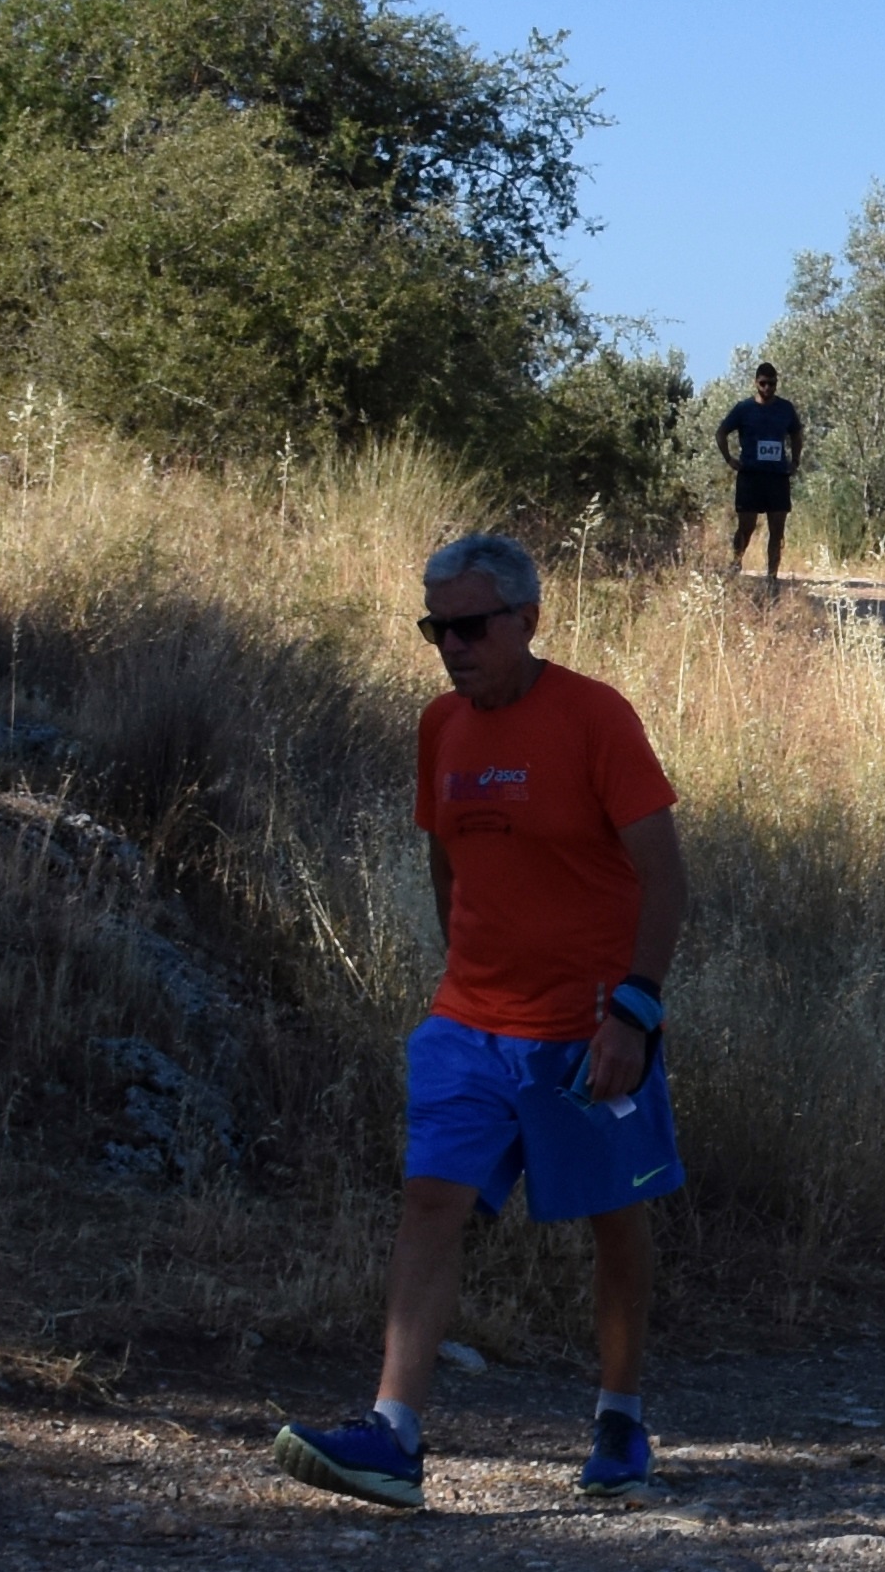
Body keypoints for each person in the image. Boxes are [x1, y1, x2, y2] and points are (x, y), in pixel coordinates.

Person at [275, 533, 694, 1510]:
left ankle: (621, 1417)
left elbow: (665, 876)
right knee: (430, 1201)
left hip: (586, 1027)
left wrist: (633, 1007)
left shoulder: (596, 718)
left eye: (471, 625)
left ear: (528, 619)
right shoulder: (440, 728)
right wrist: (464, 968)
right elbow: (447, 862)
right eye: (437, 628)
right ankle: (393, 1434)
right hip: (468, 1022)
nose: (452, 646)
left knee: (613, 1217)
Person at [716, 368, 804, 581]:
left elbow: (796, 433)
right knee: (746, 527)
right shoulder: (744, 408)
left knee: (777, 529)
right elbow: (721, 432)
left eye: (772, 384)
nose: (768, 388)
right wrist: (729, 458)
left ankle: (772, 577)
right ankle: (735, 565)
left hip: (777, 478)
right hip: (750, 477)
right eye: (763, 383)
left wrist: (795, 461)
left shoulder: (785, 408)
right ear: (756, 382)